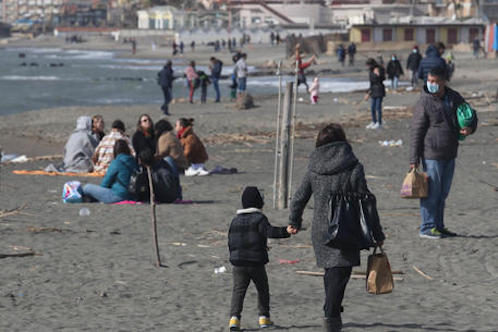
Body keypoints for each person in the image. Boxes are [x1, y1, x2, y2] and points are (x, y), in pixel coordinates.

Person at [288, 123, 385, 332]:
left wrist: (294, 222)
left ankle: (331, 311)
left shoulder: (314, 168)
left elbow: (298, 199)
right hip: (345, 227)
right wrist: (377, 233)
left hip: (321, 230)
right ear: (343, 141)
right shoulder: (353, 167)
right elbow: (367, 202)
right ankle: (330, 316)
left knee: (332, 272)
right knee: (340, 274)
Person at [410, 66, 478, 239]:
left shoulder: (453, 97)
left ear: (443, 81)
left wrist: (470, 128)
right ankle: (427, 227)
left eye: (435, 81)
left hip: (450, 152)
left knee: (442, 193)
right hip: (431, 153)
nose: (431, 84)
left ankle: (439, 226)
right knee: (431, 192)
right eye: (429, 80)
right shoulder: (424, 101)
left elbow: (469, 114)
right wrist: (414, 159)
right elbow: (417, 130)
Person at [228, 186, 292, 331]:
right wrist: (285, 231)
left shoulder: (235, 220)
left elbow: (231, 241)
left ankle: (234, 320)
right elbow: (270, 232)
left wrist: (234, 256)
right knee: (262, 289)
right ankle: (264, 318)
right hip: (255, 262)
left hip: (238, 262)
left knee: (238, 291)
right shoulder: (260, 218)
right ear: (259, 203)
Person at [83, 139, 137, 204]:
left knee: (87, 187)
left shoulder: (117, 162)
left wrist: (101, 192)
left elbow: (106, 181)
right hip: (131, 195)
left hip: (118, 196)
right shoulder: (133, 161)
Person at [364, 58, 386, 130]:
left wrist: (378, 74)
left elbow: (383, 79)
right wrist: (368, 93)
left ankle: (379, 123)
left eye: (368, 65)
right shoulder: (370, 71)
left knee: (378, 108)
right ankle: (374, 121)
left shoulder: (379, 69)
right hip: (373, 91)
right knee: (372, 107)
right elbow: (371, 83)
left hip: (379, 90)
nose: (367, 67)